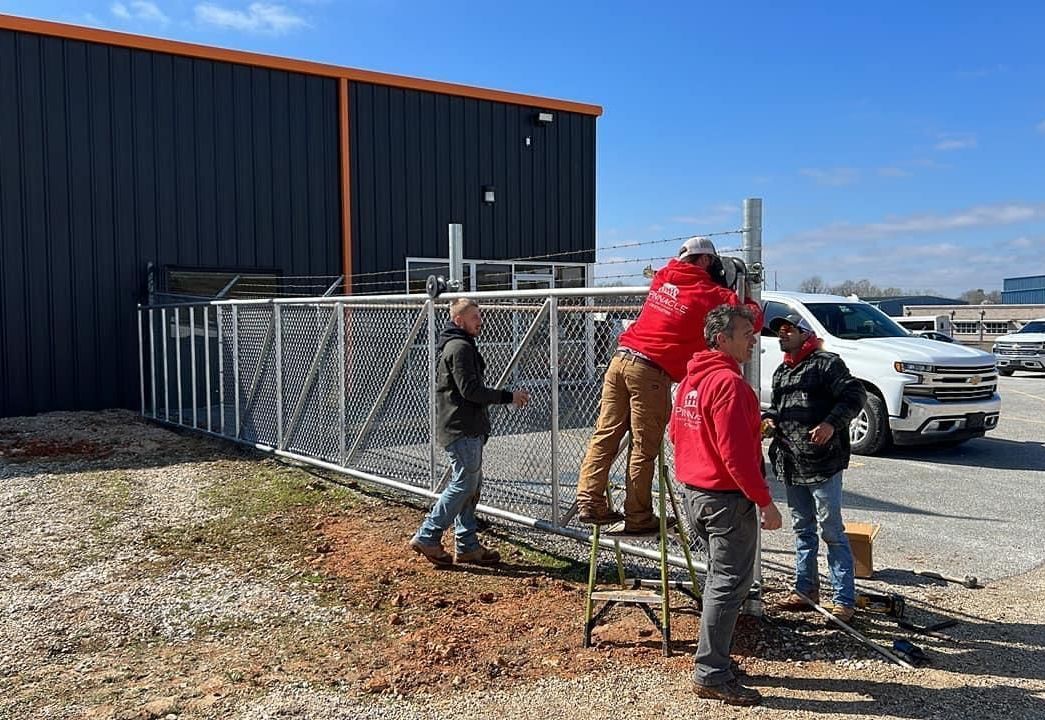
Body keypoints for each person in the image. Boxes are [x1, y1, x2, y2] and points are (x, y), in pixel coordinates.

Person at [575, 236, 764, 534]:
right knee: (643, 446)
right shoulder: (711, 293)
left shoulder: (663, 277)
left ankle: (589, 501)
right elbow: (748, 318)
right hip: (651, 370)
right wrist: (743, 287)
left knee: (606, 435)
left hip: (620, 360)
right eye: (711, 262)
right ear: (704, 261)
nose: (713, 268)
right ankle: (638, 516)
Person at [670, 304, 783, 707]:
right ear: (722, 339)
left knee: (719, 579)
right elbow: (735, 456)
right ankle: (711, 672)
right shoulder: (729, 385)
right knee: (728, 584)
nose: (753, 339)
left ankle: (715, 661)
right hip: (725, 501)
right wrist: (764, 502)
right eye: (745, 333)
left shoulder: (691, 381)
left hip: (697, 495)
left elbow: (677, 434)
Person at [409, 297, 529, 566]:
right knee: (464, 483)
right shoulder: (459, 348)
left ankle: (468, 546)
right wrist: (509, 396)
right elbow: (470, 391)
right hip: (462, 428)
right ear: (458, 320)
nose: (480, 321)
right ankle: (428, 535)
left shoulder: (460, 345)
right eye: (475, 316)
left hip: (464, 426)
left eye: (480, 315)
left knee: (471, 485)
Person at [762, 313, 866, 622]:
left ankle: (843, 599)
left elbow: (854, 395)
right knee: (802, 530)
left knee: (831, 531)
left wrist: (831, 424)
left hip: (823, 464)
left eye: (788, 329)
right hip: (792, 463)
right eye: (779, 331)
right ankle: (805, 590)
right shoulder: (782, 371)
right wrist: (770, 420)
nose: (782, 334)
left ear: (805, 334)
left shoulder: (826, 364)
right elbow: (778, 408)